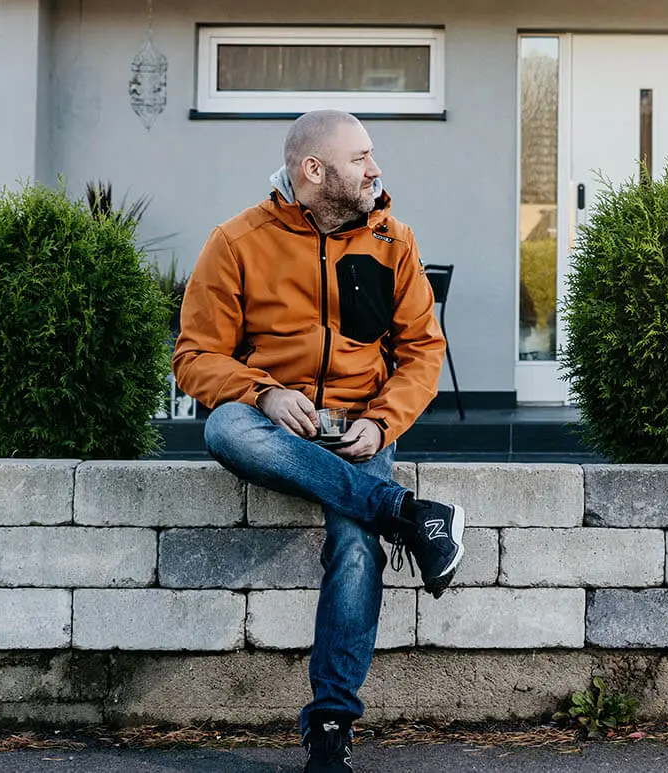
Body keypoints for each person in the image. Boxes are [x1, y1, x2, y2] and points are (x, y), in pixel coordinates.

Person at [175, 109, 464, 773]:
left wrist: (384, 420)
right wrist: (263, 392)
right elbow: (194, 355)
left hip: (360, 424)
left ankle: (331, 725)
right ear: (314, 170)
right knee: (223, 424)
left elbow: (422, 350)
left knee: (355, 545)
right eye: (361, 156)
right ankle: (406, 512)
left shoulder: (393, 239)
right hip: (277, 422)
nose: (375, 167)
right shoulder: (237, 241)